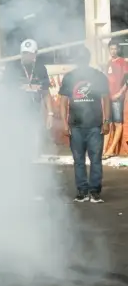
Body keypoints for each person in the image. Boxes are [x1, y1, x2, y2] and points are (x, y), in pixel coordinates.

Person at [58, 45, 110, 203]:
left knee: (95, 160)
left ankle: (94, 191)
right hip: (76, 126)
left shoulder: (98, 76)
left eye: (83, 59)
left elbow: (106, 99)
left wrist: (106, 121)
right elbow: (63, 102)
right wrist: (64, 124)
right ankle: (82, 191)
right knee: (79, 161)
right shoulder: (69, 77)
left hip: (95, 125)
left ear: (87, 59)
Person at [1, 39, 53, 156]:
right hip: (16, 112)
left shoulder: (40, 68)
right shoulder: (13, 67)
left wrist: (50, 113)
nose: (27, 56)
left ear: (35, 54)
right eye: (24, 53)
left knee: (35, 140)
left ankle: (34, 160)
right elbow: (4, 89)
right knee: (18, 140)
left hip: (35, 111)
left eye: (30, 54)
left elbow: (45, 92)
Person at [102, 39, 128, 158]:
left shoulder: (123, 62)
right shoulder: (108, 63)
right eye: (111, 49)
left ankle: (111, 149)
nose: (113, 51)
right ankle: (104, 150)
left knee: (118, 123)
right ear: (109, 50)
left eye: (115, 49)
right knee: (108, 122)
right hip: (108, 97)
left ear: (118, 49)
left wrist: (119, 93)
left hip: (117, 98)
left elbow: (127, 80)